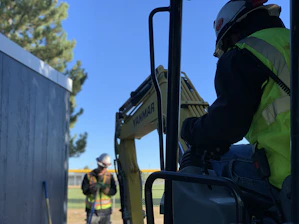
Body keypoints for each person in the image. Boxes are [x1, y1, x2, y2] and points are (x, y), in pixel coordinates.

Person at [180, 0, 290, 201]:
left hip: (287, 169)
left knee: (204, 161)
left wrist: (190, 129)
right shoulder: (289, 40)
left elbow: (228, 124)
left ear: (233, 33)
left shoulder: (243, 52)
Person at [81, 153, 117, 224]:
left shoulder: (110, 176)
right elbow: (85, 191)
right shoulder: (88, 176)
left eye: (105, 167)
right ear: (98, 164)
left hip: (106, 211)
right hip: (92, 210)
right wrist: (92, 188)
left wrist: (104, 188)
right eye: (101, 167)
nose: (103, 169)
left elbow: (114, 191)